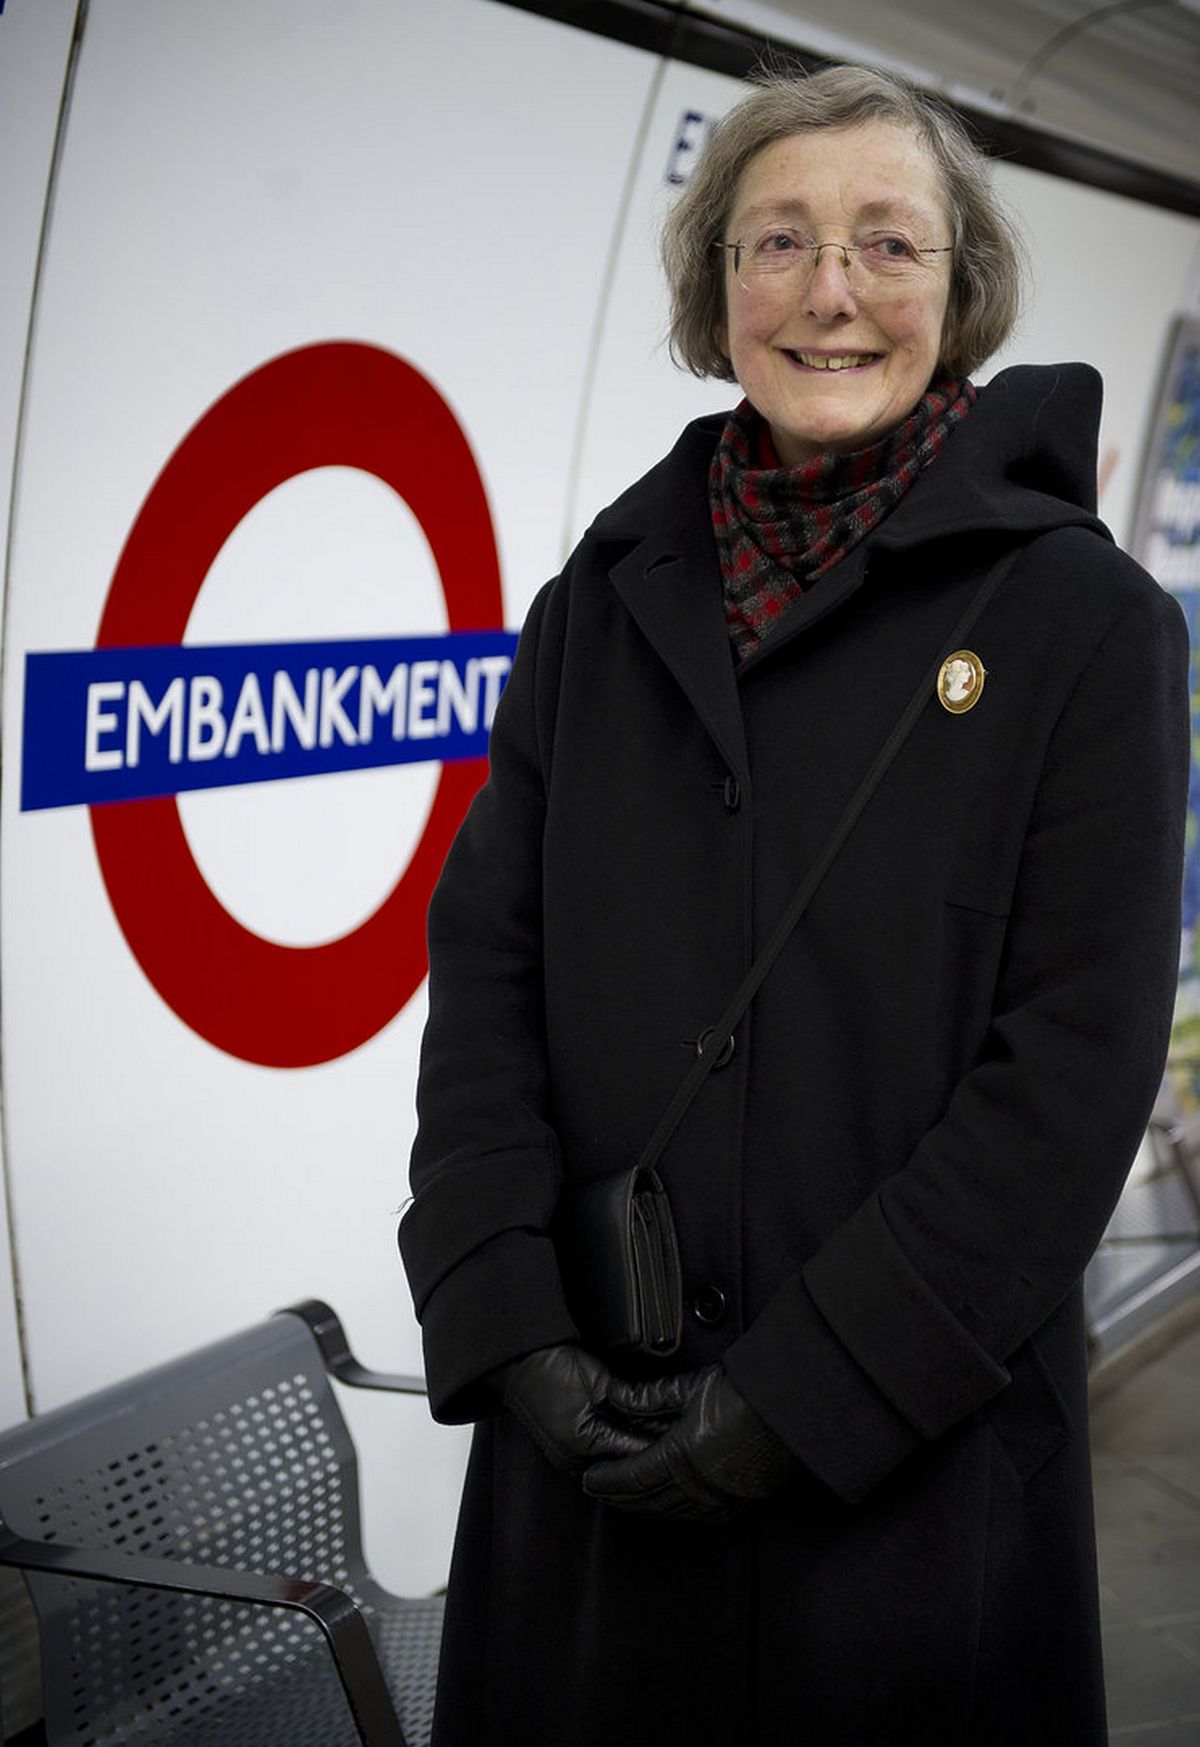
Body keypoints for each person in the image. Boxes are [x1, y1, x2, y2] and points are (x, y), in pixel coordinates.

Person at [398, 64, 1189, 1746]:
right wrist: (508, 1322)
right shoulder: (600, 609)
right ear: (716, 295)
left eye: (887, 245)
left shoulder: (1085, 630)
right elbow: (485, 974)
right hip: (588, 1464)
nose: (831, 292)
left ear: (958, 294)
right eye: (779, 243)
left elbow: (1069, 1081)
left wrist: (793, 1404)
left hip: (907, 1488)